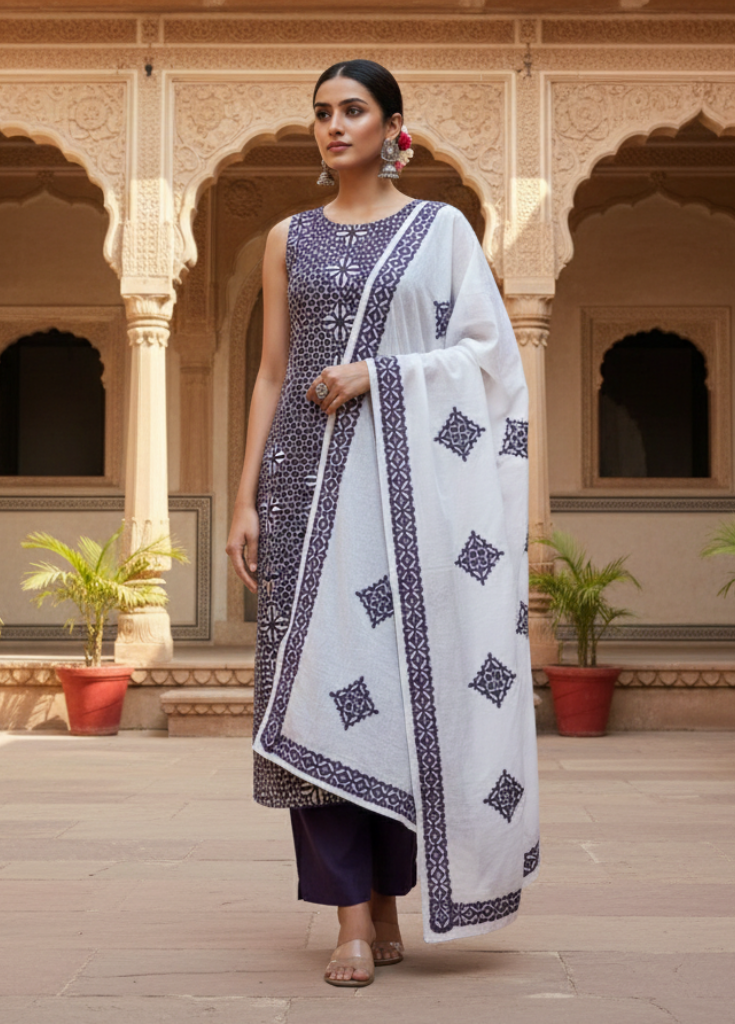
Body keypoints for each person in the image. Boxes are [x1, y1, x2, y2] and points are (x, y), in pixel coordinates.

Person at [226, 59, 540, 988]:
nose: (333, 126)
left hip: (413, 507)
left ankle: (392, 891)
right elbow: (272, 373)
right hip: (305, 494)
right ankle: (348, 920)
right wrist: (245, 497)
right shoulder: (287, 238)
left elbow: (489, 357)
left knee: (405, 697)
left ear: (392, 125)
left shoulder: (439, 230)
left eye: (352, 110)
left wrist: (380, 374)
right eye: (321, 113)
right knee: (320, 694)